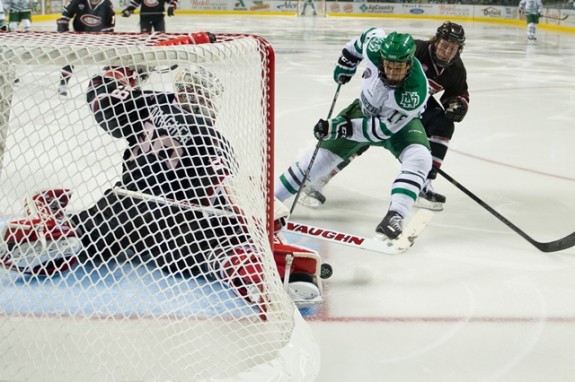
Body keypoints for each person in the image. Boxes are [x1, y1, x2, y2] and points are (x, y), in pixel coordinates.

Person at [0, 58, 324, 308]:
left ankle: (58, 233)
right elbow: (223, 186)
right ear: (212, 100)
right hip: (169, 226)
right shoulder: (211, 136)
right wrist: (263, 219)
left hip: (123, 207)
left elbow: (103, 105)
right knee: (211, 247)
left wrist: (120, 73)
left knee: (88, 232)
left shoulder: (149, 104)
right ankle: (245, 267)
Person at [275, 30, 431, 240]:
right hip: (362, 112)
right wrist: (347, 62)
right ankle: (269, 201)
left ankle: (396, 215)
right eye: (389, 66)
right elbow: (366, 37)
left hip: (398, 125)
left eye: (399, 68)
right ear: (382, 59)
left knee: (420, 158)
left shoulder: (414, 92)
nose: (393, 73)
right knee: (316, 163)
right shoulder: (375, 48)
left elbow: (379, 132)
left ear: (409, 63)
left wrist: (338, 126)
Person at [299, 21, 469, 213]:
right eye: (444, 45)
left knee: (444, 124)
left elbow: (458, 92)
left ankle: (424, 183)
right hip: (384, 102)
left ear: (458, 50)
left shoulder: (456, 69)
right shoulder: (416, 50)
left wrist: (457, 104)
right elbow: (380, 58)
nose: (446, 51)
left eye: (452, 48)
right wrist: (352, 63)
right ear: (436, 41)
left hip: (413, 108)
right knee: (362, 137)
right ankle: (319, 178)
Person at [56, 0, 115, 96]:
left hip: (98, 38)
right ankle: (63, 83)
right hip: (78, 36)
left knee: (110, 59)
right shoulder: (78, 1)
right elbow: (65, 16)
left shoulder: (107, 4)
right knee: (70, 58)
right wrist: (63, 29)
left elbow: (110, 26)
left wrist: (105, 39)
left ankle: (111, 84)